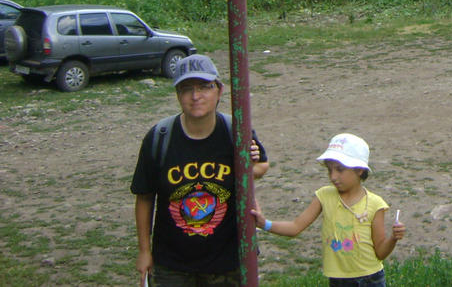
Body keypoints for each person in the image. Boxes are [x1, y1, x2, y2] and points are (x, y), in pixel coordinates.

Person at [131, 54, 269, 286]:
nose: (196, 96)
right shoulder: (159, 137)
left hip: (227, 262)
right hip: (172, 264)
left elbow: (262, 165)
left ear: (219, 90)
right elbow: (144, 196)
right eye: (186, 89)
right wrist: (144, 251)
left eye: (204, 87)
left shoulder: (236, 131)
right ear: (177, 95)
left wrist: (248, 170)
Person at [252, 133, 405, 287]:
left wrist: (393, 238)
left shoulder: (375, 204)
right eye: (329, 170)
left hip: (370, 279)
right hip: (337, 280)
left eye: (339, 169)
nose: (333, 176)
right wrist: (264, 223)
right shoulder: (324, 196)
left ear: (359, 170)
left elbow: (381, 253)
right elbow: (295, 227)